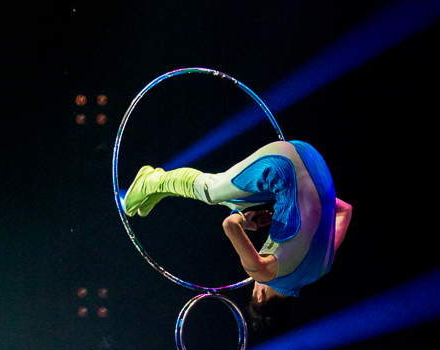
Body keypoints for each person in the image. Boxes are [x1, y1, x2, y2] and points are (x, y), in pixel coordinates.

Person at [123, 141, 352, 333]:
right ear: (260, 297)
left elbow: (344, 210)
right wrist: (244, 220)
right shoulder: (263, 273)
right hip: (286, 163)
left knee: (233, 199)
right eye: (254, 290)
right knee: (212, 191)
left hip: (313, 161)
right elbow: (230, 225)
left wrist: (307, 196)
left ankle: (160, 189)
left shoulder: (322, 267)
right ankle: (151, 180)